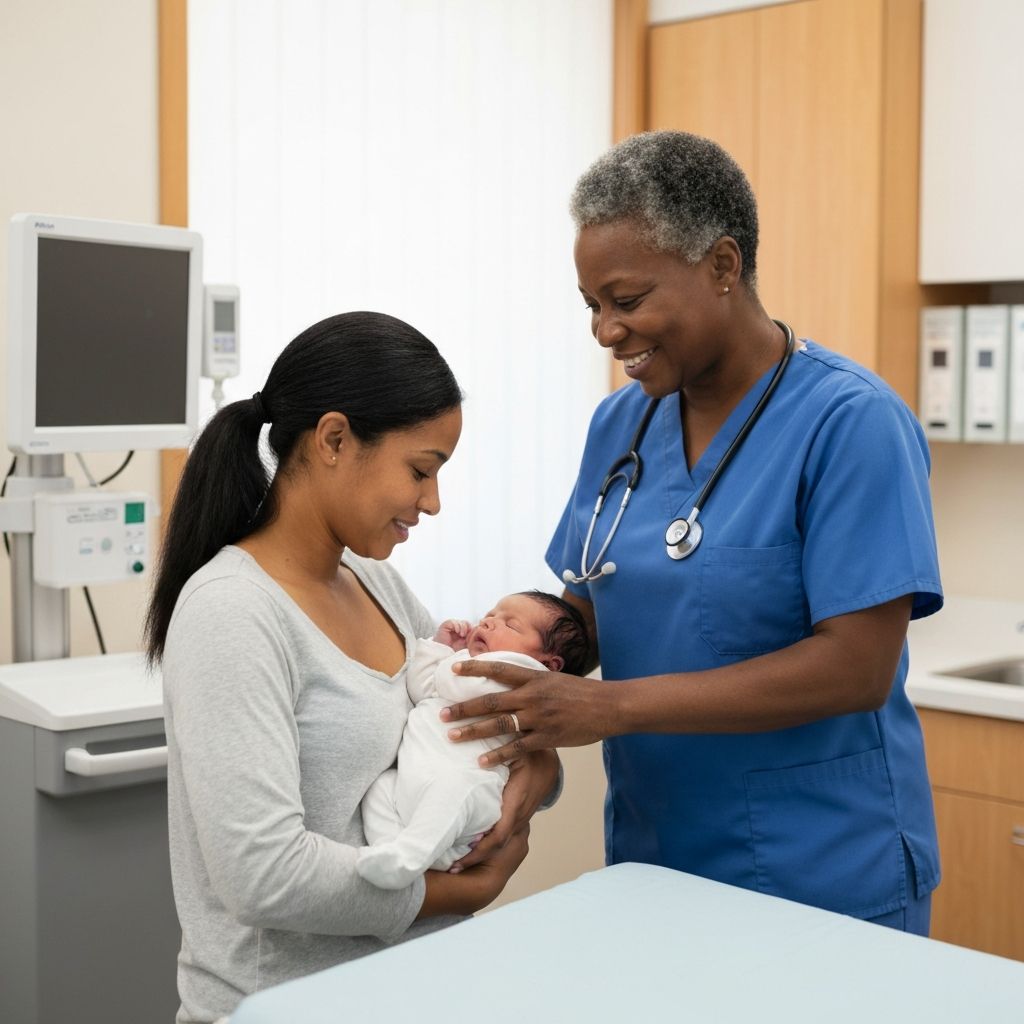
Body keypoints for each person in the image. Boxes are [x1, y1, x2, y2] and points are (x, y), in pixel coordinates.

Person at [441, 131, 944, 935]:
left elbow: (856, 665)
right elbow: (600, 607)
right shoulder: (621, 426)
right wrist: (512, 651)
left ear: (721, 266)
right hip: (658, 857)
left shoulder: (851, 423)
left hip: (822, 869)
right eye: (592, 306)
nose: (606, 331)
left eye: (628, 300)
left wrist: (614, 708)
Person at [144, 312, 559, 1024]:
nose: (432, 502)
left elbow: (477, 722)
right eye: (421, 471)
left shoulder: (376, 585)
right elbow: (263, 877)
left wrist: (541, 773)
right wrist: (467, 890)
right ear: (335, 439)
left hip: (409, 992)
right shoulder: (232, 613)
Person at [358, 591, 588, 889]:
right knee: (380, 788)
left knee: (454, 790)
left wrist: (452, 658)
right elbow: (422, 686)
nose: (489, 623)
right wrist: (440, 648)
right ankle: (389, 849)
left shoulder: (526, 676)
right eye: (490, 616)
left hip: (470, 785)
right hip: (414, 778)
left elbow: (458, 685)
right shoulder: (462, 667)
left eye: (511, 625)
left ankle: (409, 857)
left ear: (550, 664)